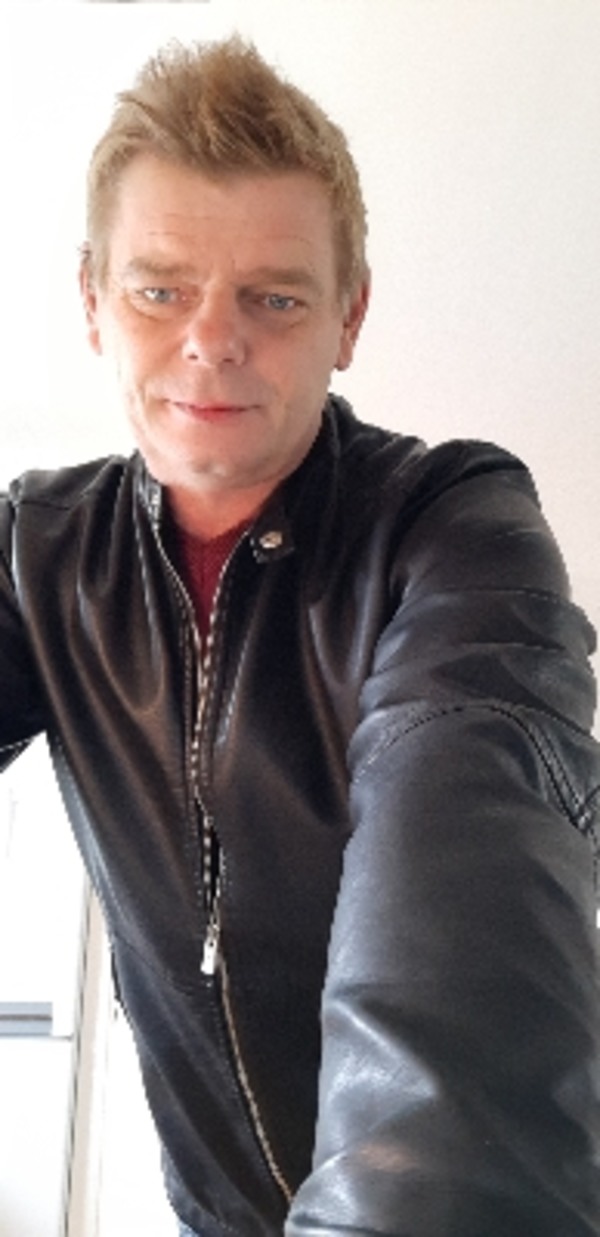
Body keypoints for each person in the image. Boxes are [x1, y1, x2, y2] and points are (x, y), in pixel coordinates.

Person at [2, 35, 599, 1237]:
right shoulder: (38, 554)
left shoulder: (455, 529)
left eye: (273, 298)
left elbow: (468, 895)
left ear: (349, 315)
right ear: (92, 302)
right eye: (160, 290)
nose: (212, 340)